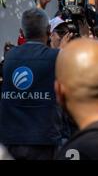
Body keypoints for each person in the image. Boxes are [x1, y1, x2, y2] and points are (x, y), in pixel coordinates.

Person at [0, 8, 64, 160]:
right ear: (49, 30)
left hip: (11, 139)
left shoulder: (9, 57)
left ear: (22, 32)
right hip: (44, 140)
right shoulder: (56, 56)